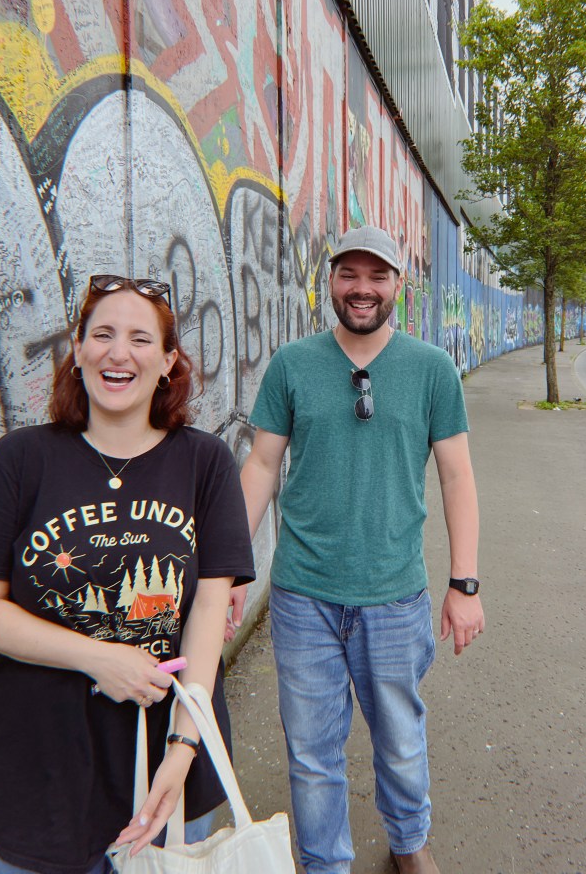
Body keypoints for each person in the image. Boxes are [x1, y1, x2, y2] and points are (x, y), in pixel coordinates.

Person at [229, 226, 484, 874]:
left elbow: (457, 476)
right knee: (312, 751)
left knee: (400, 741)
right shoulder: (293, 364)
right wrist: (229, 567)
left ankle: (409, 843)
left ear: (399, 284)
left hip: (393, 595)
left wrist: (464, 584)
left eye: (377, 275)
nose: (362, 288)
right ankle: (325, 864)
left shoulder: (431, 369)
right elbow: (261, 465)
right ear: (331, 280)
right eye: (349, 273)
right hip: (302, 595)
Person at [0, 274, 254, 874]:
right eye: (103, 334)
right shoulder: (19, 460)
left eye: (140, 339)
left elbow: (207, 615)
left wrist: (183, 749)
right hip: (38, 767)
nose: (118, 353)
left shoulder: (204, 462)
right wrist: (97, 658)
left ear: (168, 361)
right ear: (78, 348)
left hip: (166, 756)